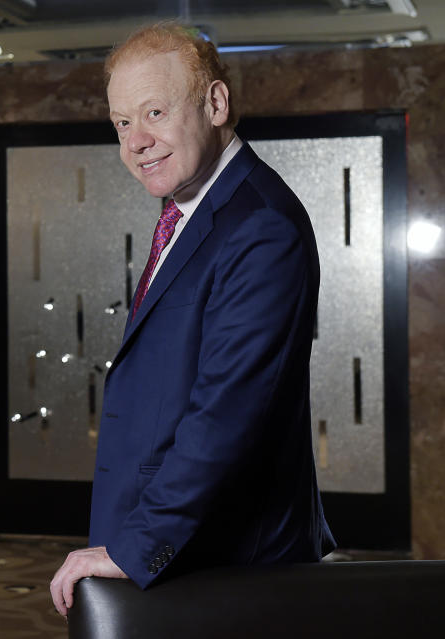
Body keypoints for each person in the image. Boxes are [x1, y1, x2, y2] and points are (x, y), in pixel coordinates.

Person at [49, 23, 335, 618]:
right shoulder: (193, 210)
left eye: (154, 111)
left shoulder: (259, 225)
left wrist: (138, 545)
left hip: (228, 562)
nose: (136, 141)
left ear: (215, 103)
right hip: (181, 545)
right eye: (122, 123)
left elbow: (227, 415)